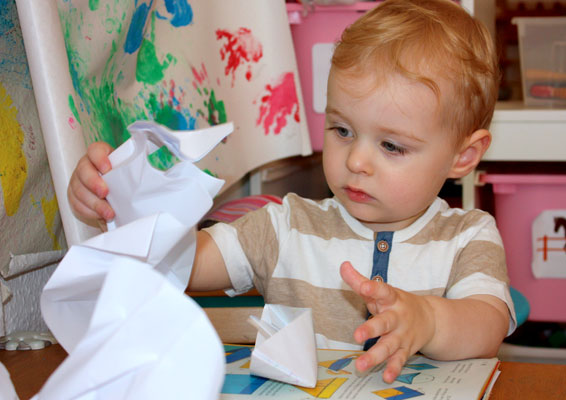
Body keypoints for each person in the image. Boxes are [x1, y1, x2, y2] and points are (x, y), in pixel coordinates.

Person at [68, 0, 515, 384]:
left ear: (463, 155)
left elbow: (487, 323)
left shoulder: (469, 236)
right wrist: (121, 203)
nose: (356, 161)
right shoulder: (284, 226)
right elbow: (181, 261)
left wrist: (430, 320)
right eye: (342, 129)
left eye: (391, 145)